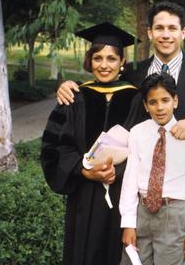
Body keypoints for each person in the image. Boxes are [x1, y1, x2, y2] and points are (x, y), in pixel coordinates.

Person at [56, 1, 185, 265]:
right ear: (149, 33)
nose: (166, 34)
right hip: (136, 188)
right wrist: (69, 85)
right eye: (159, 28)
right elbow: (103, 84)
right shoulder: (134, 74)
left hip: (183, 188)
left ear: (183, 32)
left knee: (184, 255)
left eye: (172, 28)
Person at [40, 22, 140, 265]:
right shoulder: (74, 97)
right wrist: (83, 171)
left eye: (111, 58)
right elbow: (54, 148)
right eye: (97, 58)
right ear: (90, 61)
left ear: (121, 62)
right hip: (84, 194)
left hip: (122, 194)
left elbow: (145, 149)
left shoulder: (136, 98)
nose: (104, 65)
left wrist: (115, 172)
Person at [119, 73, 185, 265]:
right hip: (142, 212)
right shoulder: (137, 133)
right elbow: (130, 180)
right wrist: (128, 223)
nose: (159, 107)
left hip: (174, 214)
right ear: (145, 105)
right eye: (153, 102)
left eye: (165, 100)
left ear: (175, 101)